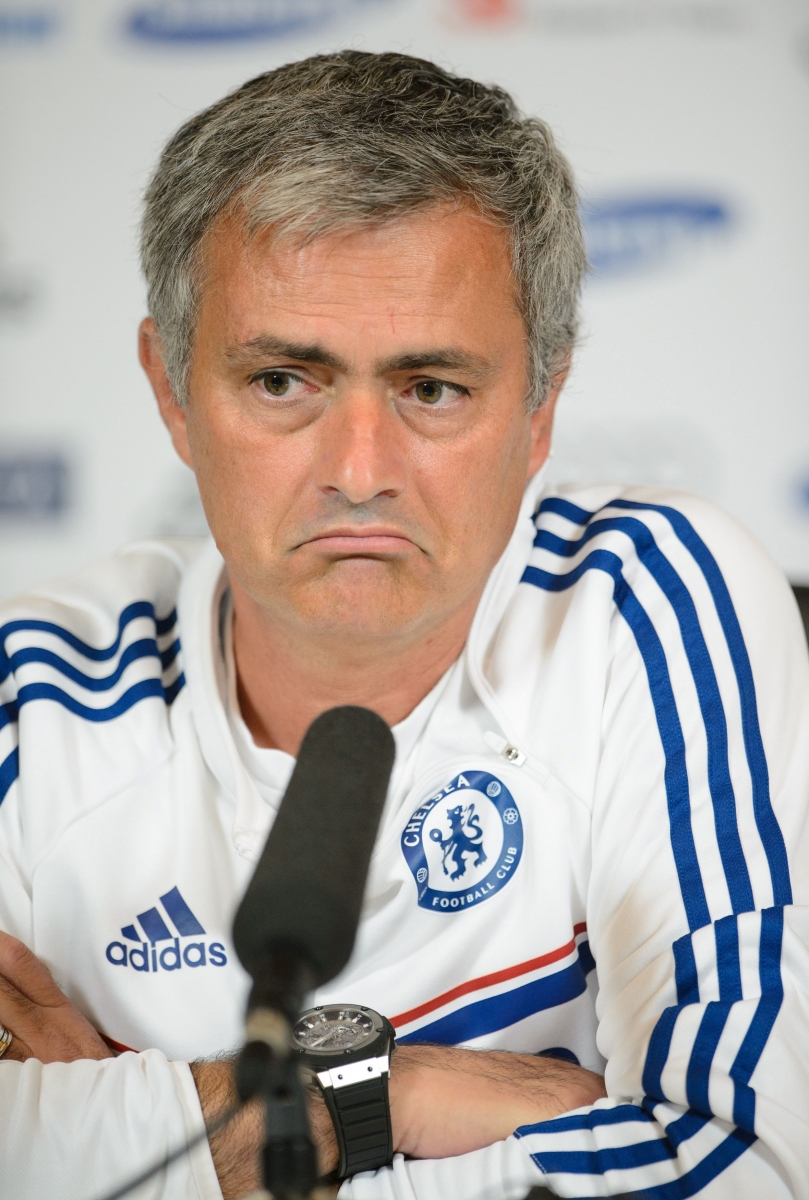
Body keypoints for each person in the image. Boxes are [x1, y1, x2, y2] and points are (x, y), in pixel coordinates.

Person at [0, 49, 807, 1200]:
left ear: (539, 413)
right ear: (171, 392)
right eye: (284, 380)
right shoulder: (34, 689)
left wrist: (155, 1137)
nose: (360, 471)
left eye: (432, 388)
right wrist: (392, 1098)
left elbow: (743, 1168)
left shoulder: (644, 603)